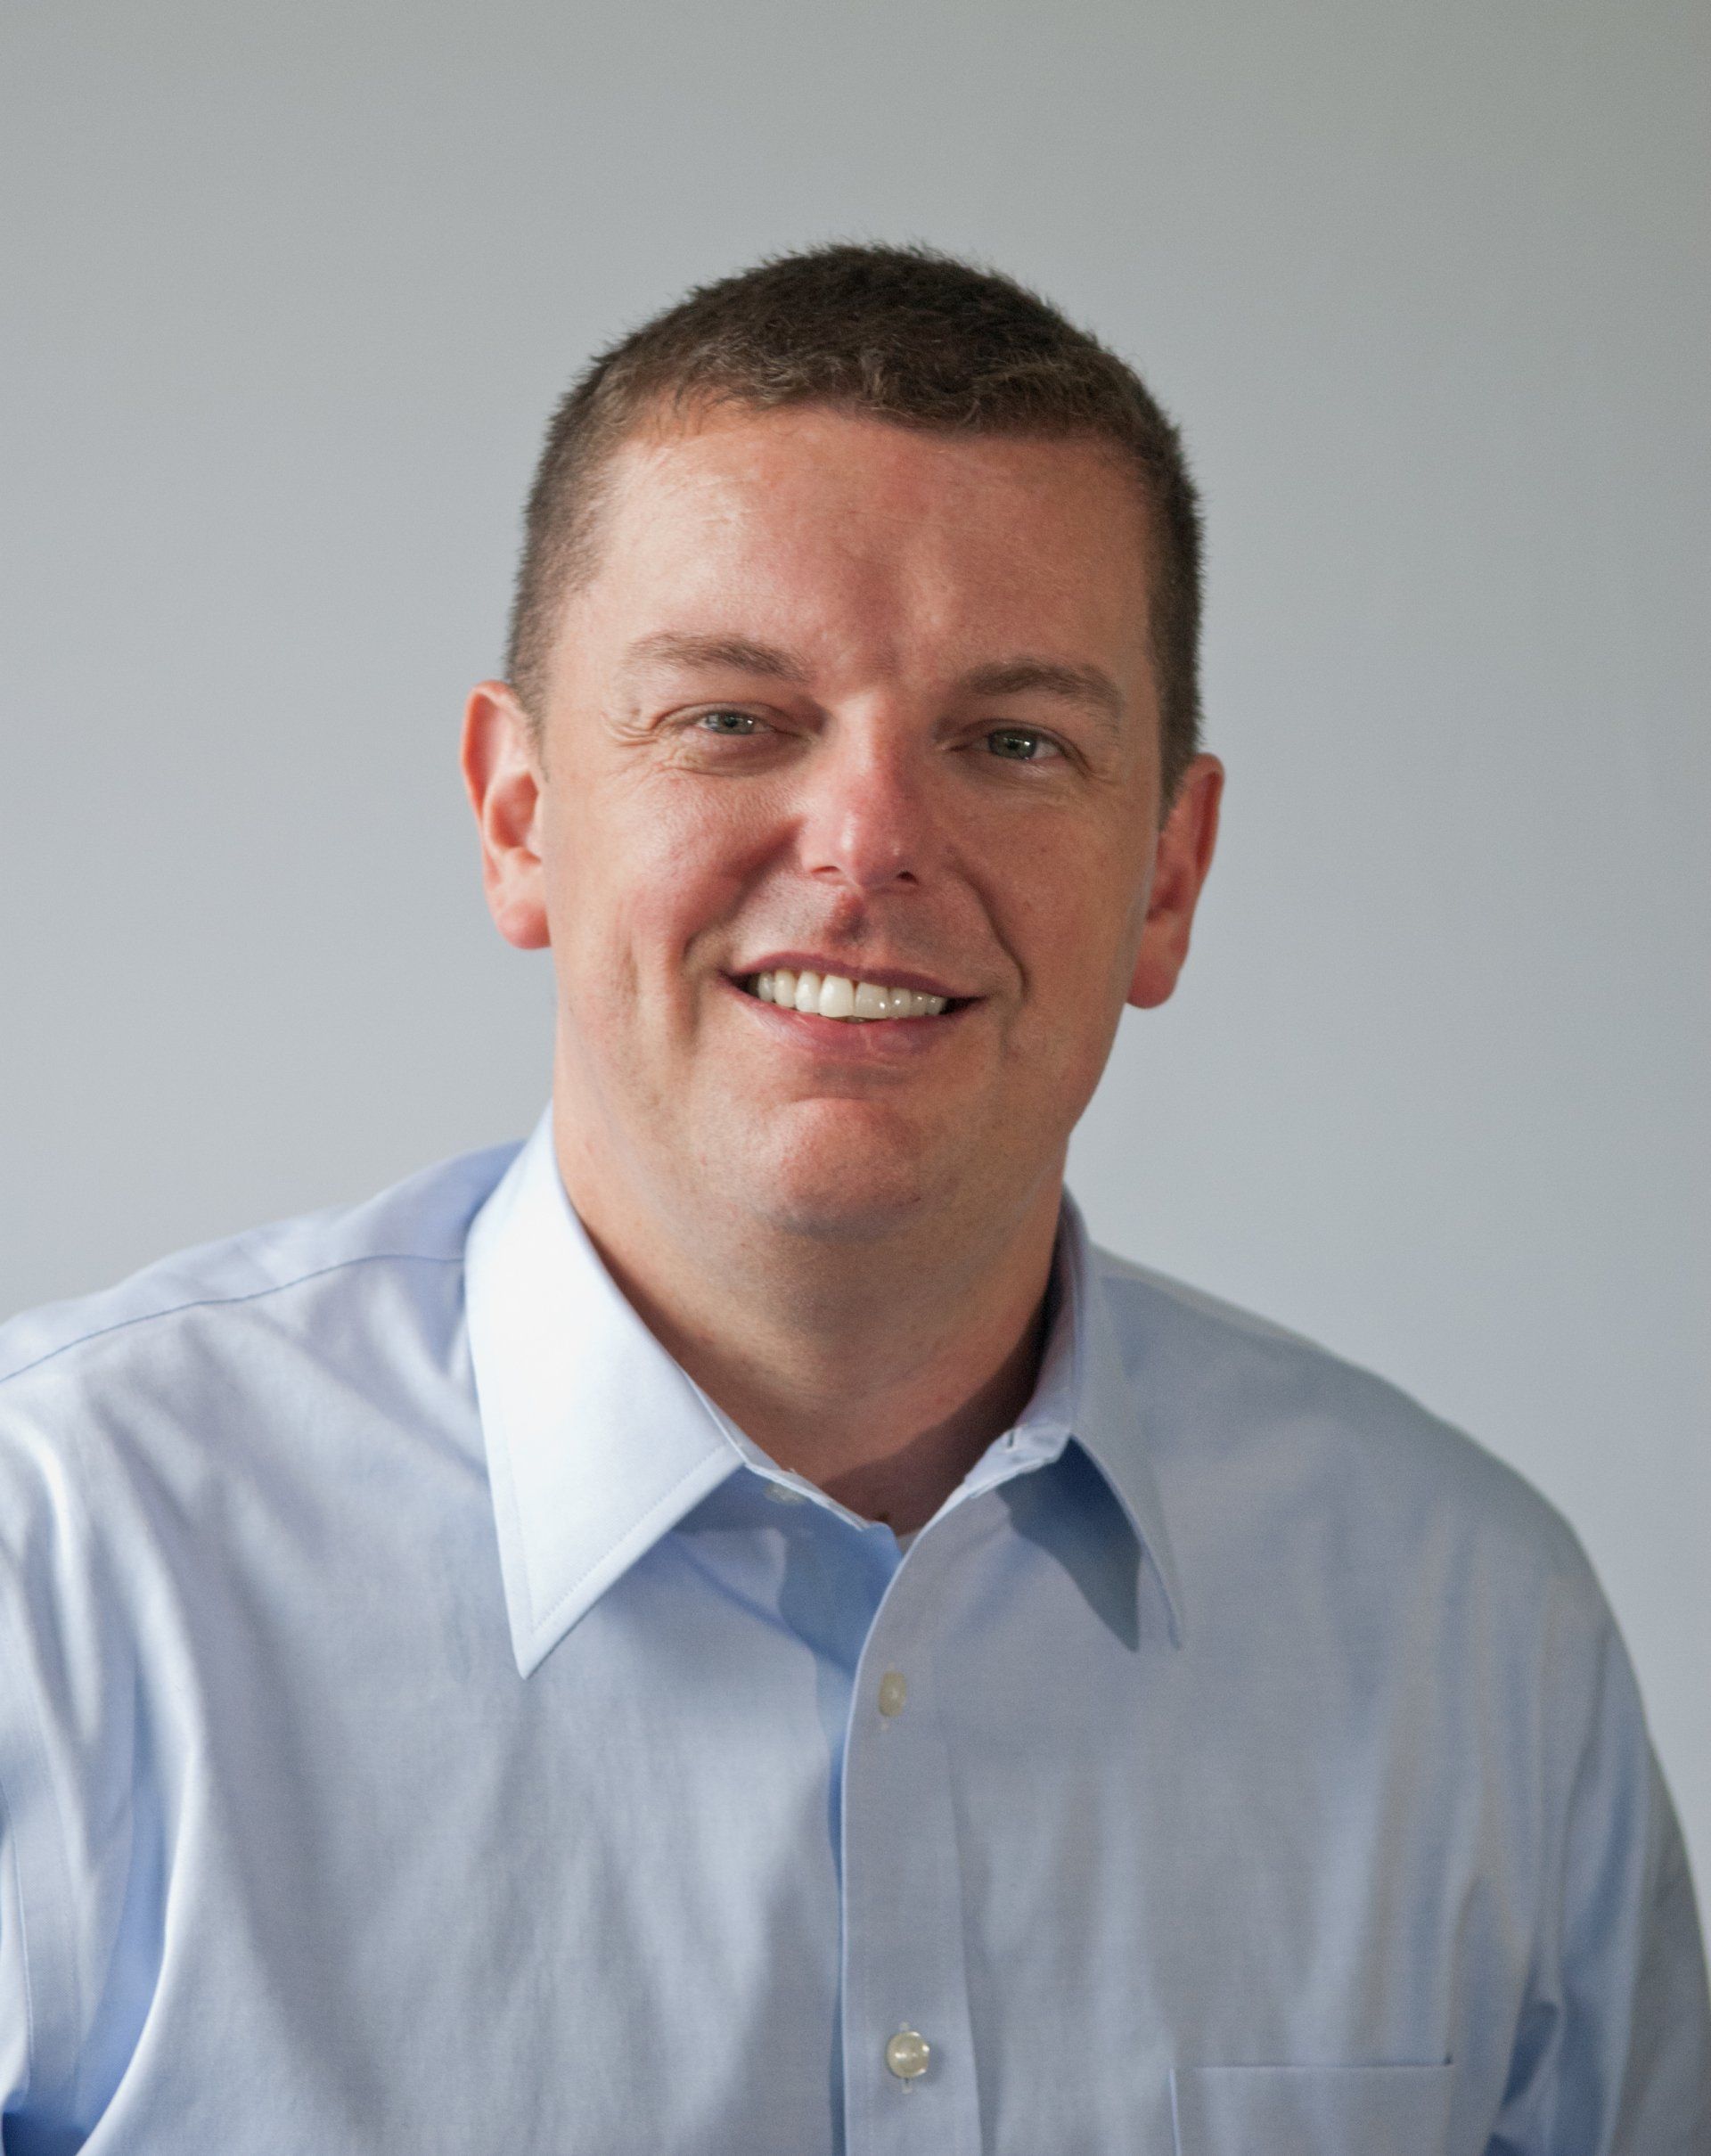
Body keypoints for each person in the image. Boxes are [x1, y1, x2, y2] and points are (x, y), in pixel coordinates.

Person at [0, 245, 1704, 2155]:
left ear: (1166, 874)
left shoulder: (1474, 1633)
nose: (874, 841)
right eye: (733, 716)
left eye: (1015, 741)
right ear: (518, 812)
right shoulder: (57, 1574)